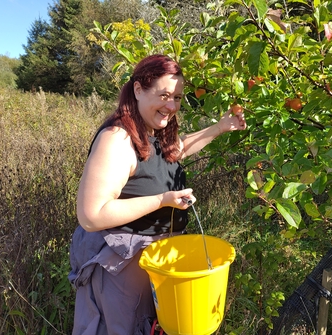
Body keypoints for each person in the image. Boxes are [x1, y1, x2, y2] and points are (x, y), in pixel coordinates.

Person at [68, 54, 247, 335]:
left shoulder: (152, 132)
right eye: (164, 95)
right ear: (138, 90)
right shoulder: (117, 139)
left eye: (176, 98)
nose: (171, 105)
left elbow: (180, 148)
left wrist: (220, 127)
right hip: (124, 265)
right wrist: (162, 201)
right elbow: (92, 215)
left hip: (158, 263)